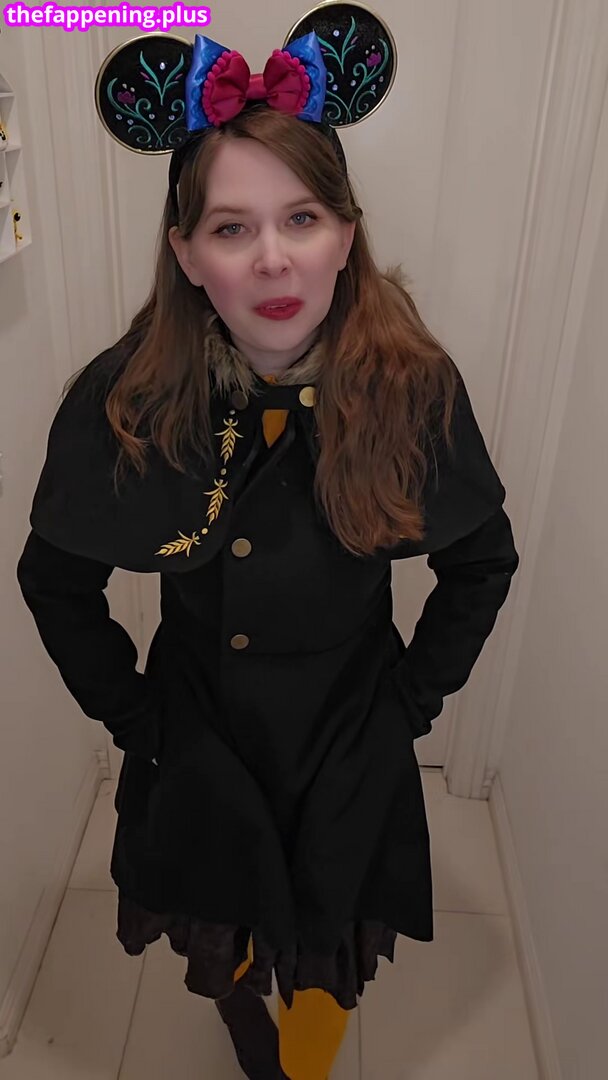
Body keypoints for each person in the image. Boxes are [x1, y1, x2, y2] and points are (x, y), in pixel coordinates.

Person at [16, 29, 520, 1080]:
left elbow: (481, 561)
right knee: (226, 920)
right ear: (186, 256)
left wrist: (409, 704)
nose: (273, 259)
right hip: (203, 728)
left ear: (346, 236)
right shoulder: (130, 398)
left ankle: (304, 1058)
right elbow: (54, 578)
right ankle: (252, 1027)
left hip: (348, 726)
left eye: (301, 218)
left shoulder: (410, 384)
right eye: (231, 228)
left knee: (328, 940)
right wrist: (137, 717)